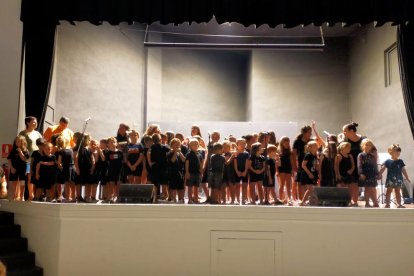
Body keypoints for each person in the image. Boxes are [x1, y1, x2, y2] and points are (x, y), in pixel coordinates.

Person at [19, 116, 43, 200]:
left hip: (37, 157)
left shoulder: (37, 133)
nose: (35, 123)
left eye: (36, 122)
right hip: (28, 158)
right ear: (28, 123)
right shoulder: (23, 133)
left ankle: (37, 195)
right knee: (29, 175)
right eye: (33, 122)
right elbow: (20, 144)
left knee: (36, 175)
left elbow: (42, 143)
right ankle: (30, 194)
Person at [343, 122, 366, 203]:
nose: (343, 133)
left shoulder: (364, 139)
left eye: (345, 131)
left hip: (362, 165)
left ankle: (356, 202)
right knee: (352, 184)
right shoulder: (345, 140)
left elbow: (373, 151)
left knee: (365, 185)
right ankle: (350, 202)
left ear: (352, 131)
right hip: (350, 166)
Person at [292, 125, 312, 202]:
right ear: (304, 133)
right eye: (309, 132)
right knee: (300, 183)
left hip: (310, 165)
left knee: (309, 183)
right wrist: (294, 165)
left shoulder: (310, 141)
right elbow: (293, 154)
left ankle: (307, 199)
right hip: (301, 164)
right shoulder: (297, 142)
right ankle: (300, 199)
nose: (310, 134)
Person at [148, 133, 170, 202]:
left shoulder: (151, 147)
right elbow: (170, 151)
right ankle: (165, 196)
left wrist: (150, 163)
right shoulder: (163, 147)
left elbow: (148, 154)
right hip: (163, 167)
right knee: (164, 183)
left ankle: (154, 197)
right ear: (160, 139)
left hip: (155, 167)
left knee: (155, 183)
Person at [357, 139, 379, 208]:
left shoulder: (372, 156)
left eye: (370, 145)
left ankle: (374, 201)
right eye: (366, 145)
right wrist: (361, 173)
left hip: (372, 174)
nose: (368, 146)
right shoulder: (361, 155)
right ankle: (367, 203)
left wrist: (377, 173)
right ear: (362, 145)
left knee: (373, 187)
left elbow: (375, 165)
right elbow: (359, 165)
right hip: (365, 174)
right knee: (367, 188)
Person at [7, 136, 30, 201]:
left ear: (22, 142)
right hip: (14, 168)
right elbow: (9, 159)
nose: (17, 143)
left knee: (22, 182)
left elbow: (24, 159)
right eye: (16, 141)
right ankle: (13, 196)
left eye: (19, 141)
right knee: (14, 182)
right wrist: (11, 168)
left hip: (22, 169)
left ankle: (21, 196)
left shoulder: (26, 150)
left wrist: (20, 152)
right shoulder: (13, 150)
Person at [74, 134, 94, 203]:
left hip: (88, 168)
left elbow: (92, 159)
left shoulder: (89, 149)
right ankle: (78, 196)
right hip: (80, 167)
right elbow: (75, 158)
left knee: (88, 183)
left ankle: (88, 196)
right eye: (88, 140)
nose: (89, 141)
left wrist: (92, 168)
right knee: (79, 182)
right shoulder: (78, 148)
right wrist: (77, 168)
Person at [56, 136, 75, 202]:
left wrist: (60, 166)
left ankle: (67, 198)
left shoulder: (61, 152)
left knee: (66, 183)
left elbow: (59, 162)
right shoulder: (71, 150)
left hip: (66, 168)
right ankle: (73, 197)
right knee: (72, 183)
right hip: (72, 168)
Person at [300, 141, 319, 206]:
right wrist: (309, 173)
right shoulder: (308, 155)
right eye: (315, 146)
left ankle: (311, 201)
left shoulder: (315, 155)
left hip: (313, 173)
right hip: (308, 174)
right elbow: (303, 165)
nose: (317, 147)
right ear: (310, 148)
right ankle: (302, 202)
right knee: (310, 189)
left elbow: (315, 165)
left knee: (314, 188)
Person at [167, 138, 186, 203]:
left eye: (179, 145)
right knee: (172, 187)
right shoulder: (170, 153)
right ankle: (172, 198)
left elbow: (184, 160)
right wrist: (175, 152)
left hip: (179, 173)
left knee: (180, 187)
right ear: (171, 146)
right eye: (176, 145)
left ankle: (180, 199)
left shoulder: (179, 153)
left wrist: (179, 153)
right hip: (172, 173)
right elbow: (172, 160)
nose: (177, 146)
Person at [277, 136, 295, 206]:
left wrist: (293, 170)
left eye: (288, 143)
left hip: (288, 168)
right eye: (285, 143)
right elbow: (277, 163)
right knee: (282, 184)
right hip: (282, 169)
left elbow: (292, 162)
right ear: (282, 143)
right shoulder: (279, 152)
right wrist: (277, 171)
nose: (287, 144)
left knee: (288, 184)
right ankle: (281, 198)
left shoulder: (290, 152)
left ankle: (289, 198)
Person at [185, 139, 203, 204]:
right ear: (190, 146)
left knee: (196, 186)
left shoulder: (199, 154)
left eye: (196, 144)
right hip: (191, 172)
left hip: (197, 173)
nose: (195, 146)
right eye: (193, 144)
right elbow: (187, 163)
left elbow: (200, 163)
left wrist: (201, 170)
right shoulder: (188, 154)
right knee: (190, 186)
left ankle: (196, 198)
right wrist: (187, 172)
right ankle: (190, 199)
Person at [106, 137, 123, 203]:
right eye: (110, 142)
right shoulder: (108, 153)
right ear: (108, 144)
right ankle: (111, 196)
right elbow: (106, 161)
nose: (112, 143)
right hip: (111, 170)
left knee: (118, 183)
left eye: (113, 142)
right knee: (111, 183)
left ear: (116, 143)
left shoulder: (120, 152)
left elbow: (123, 161)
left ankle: (117, 196)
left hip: (119, 170)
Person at [234, 138, 249, 204]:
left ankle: (244, 199)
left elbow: (247, 163)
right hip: (237, 171)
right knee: (237, 186)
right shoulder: (236, 153)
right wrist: (237, 171)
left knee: (245, 186)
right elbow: (235, 162)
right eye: (240, 144)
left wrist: (245, 171)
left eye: (243, 143)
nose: (242, 145)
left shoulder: (247, 154)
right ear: (237, 145)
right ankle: (237, 199)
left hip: (244, 171)